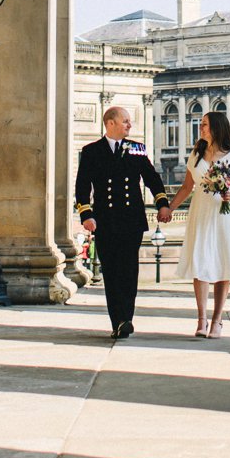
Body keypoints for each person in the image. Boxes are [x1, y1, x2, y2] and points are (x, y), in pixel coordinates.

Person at [74, 105, 170, 338]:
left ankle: (126, 318)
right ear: (110, 123)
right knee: (111, 272)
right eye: (125, 121)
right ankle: (117, 319)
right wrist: (86, 215)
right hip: (105, 221)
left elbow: (152, 178)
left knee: (129, 271)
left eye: (129, 121)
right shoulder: (91, 151)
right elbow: (82, 187)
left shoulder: (136, 149)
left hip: (131, 220)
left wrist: (162, 203)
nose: (129, 125)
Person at [162, 110, 230, 338]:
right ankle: (201, 319)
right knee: (201, 260)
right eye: (201, 124)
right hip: (201, 210)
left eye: (205, 124)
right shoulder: (196, 153)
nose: (201, 127)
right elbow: (187, 187)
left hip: (223, 212)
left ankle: (217, 320)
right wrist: (170, 208)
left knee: (222, 262)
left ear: (217, 127)